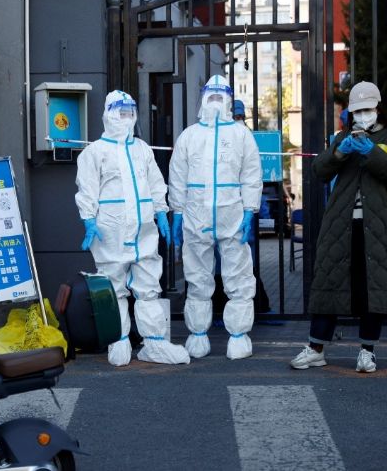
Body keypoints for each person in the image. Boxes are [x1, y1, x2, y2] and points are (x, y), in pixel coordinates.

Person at [290, 81, 387, 373]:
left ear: (378, 108)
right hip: (341, 224)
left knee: (373, 288)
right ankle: (315, 347)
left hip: (379, 227)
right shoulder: (342, 136)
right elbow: (319, 170)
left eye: (367, 110)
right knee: (331, 283)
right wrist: (340, 152)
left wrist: (372, 152)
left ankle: (367, 351)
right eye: (357, 111)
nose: (362, 115)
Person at [75, 90, 190, 367]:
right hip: (110, 231)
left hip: (143, 231)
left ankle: (154, 344)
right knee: (113, 289)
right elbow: (87, 188)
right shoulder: (94, 152)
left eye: (129, 113)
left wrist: (161, 210)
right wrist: (88, 219)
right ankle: (119, 340)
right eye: (120, 113)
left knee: (149, 287)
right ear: (108, 114)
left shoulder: (141, 149)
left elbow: (154, 183)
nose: (125, 119)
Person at [169, 75, 263, 360]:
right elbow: (178, 177)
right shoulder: (189, 136)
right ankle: (197, 335)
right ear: (202, 99)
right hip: (197, 215)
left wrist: (249, 209)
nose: (215, 101)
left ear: (228, 100)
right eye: (211, 96)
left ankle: (239, 336)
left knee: (238, 275)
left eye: (220, 96)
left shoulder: (241, 135)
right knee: (197, 277)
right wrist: (177, 211)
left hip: (231, 213)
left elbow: (251, 174)